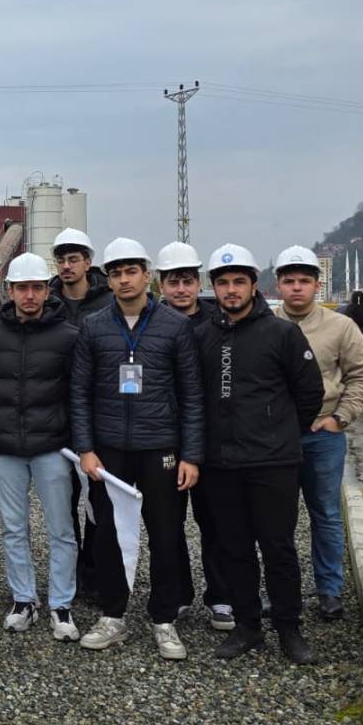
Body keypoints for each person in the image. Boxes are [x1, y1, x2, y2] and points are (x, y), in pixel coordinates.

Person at [70, 237, 203, 659]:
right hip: (109, 450)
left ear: (147, 275)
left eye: (131, 271)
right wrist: (86, 448)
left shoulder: (175, 326)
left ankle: (164, 619)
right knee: (109, 535)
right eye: (116, 273)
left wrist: (190, 455)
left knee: (166, 533)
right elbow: (80, 393)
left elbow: (192, 395)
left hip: (160, 447)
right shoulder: (93, 326)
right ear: (107, 279)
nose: (124, 280)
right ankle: (113, 615)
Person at [197, 245, 324, 665]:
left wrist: (279, 431)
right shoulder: (203, 336)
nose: (231, 290)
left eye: (239, 282)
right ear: (214, 287)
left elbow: (310, 393)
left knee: (278, 548)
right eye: (223, 283)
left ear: (254, 286)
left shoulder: (282, 334)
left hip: (273, 462)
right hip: (221, 463)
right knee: (233, 548)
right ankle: (247, 626)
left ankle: (289, 628)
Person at [0, 253, 81, 641]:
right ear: (10, 291)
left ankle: (61, 604)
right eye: (22, 288)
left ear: (47, 290)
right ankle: (23, 599)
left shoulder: (68, 336)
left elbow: (77, 394)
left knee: (61, 529)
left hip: (52, 448)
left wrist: (77, 442)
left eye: (37, 287)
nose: (30, 296)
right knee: (13, 528)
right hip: (6, 449)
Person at [273, 245, 363, 621]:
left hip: (322, 434)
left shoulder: (340, 327)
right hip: (275, 438)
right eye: (289, 281)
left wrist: (340, 418)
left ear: (317, 285)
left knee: (326, 514)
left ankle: (329, 590)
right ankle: (279, 591)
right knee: (274, 519)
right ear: (278, 285)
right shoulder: (264, 324)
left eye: (304, 280)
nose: (296, 288)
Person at [156, 241, 232, 631]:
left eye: (187, 281)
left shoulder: (220, 323)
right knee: (168, 525)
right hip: (166, 440)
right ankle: (178, 594)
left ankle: (221, 596)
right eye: (173, 282)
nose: (181, 289)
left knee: (215, 521)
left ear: (198, 282)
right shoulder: (150, 325)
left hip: (212, 440)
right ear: (161, 285)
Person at [49, 227, 112, 602]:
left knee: (97, 502)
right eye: (61, 260)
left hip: (97, 414)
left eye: (74, 259)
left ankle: (96, 571)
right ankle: (70, 573)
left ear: (89, 262)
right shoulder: (49, 300)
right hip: (58, 416)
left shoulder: (108, 301)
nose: (67, 266)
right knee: (63, 503)